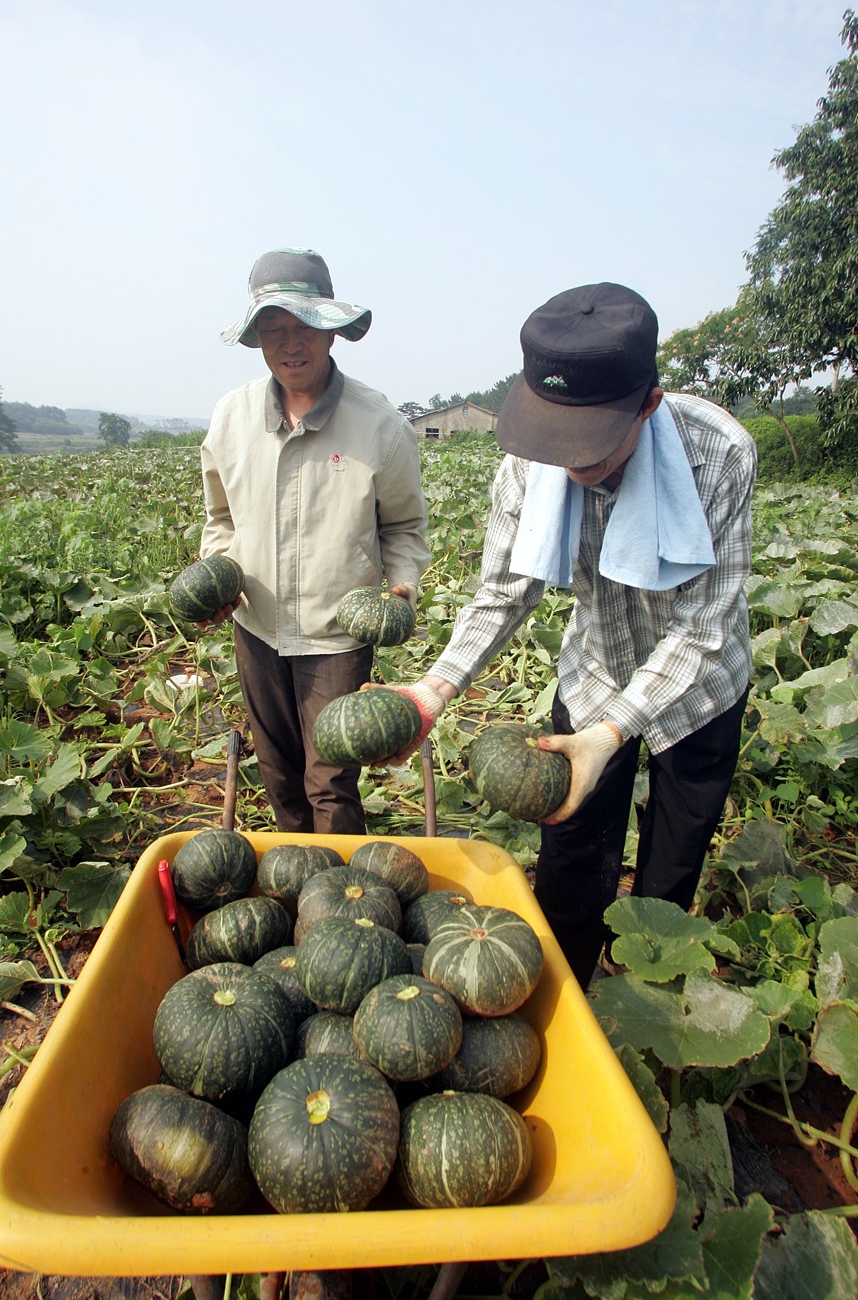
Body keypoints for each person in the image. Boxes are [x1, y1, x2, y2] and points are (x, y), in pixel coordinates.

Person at [387, 282, 757, 989]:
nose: (567, 462)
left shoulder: (720, 454)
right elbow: (503, 591)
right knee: (572, 850)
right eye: (555, 438)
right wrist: (434, 690)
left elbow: (703, 623)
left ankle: (645, 989)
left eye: (588, 443)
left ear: (647, 404)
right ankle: (564, 992)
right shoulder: (528, 462)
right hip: (597, 668)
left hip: (701, 680)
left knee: (672, 856)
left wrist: (615, 731)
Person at [197, 247, 430, 834]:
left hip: (337, 636)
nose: (290, 342)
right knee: (278, 773)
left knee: (329, 782)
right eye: (274, 328)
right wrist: (218, 570)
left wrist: (401, 591)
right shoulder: (231, 417)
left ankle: (341, 902)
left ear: (331, 333)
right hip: (256, 626)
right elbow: (220, 515)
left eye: (304, 326)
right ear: (258, 340)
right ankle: (298, 880)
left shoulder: (379, 423)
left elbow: (403, 525)